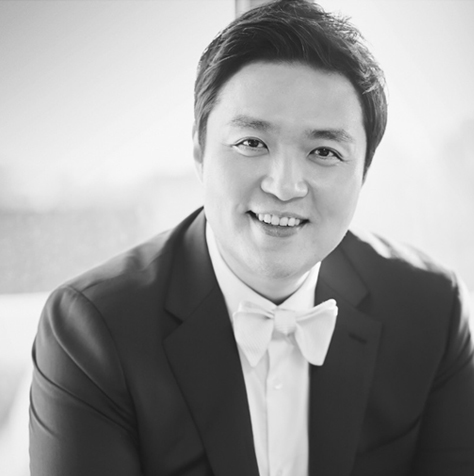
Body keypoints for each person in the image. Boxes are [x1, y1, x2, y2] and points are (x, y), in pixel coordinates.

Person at [29, 1, 474, 475]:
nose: (284, 186)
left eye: (324, 151)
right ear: (199, 150)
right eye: (251, 143)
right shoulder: (92, 328)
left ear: (364, 172)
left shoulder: (432, 310)